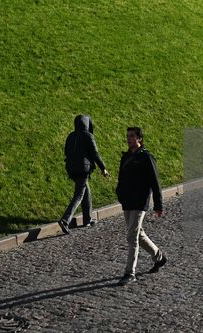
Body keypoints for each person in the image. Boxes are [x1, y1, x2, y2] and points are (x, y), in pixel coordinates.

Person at [115, 126, 167, 284]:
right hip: (127, 201)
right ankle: (159, 257)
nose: (129, 139)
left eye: (132, 136)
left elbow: (155, 182)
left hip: (139, 202)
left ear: (139, 139)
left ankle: (130, 273)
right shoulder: (125, 157)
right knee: (138, 234)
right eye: (128, 136)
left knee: (131, 236)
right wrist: (120, 194)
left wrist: (158, 205)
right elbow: (121, 178)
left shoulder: (146, 157)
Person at [58, 114, 108, 234]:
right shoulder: (88, 136)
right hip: (83, 169)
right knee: (79, 195)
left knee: (86, 191)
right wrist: (103, 168)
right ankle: (65, 220)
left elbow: (66, 151)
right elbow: (95, 154)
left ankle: (87, 219)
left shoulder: (71, 136)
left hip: (71, 168)